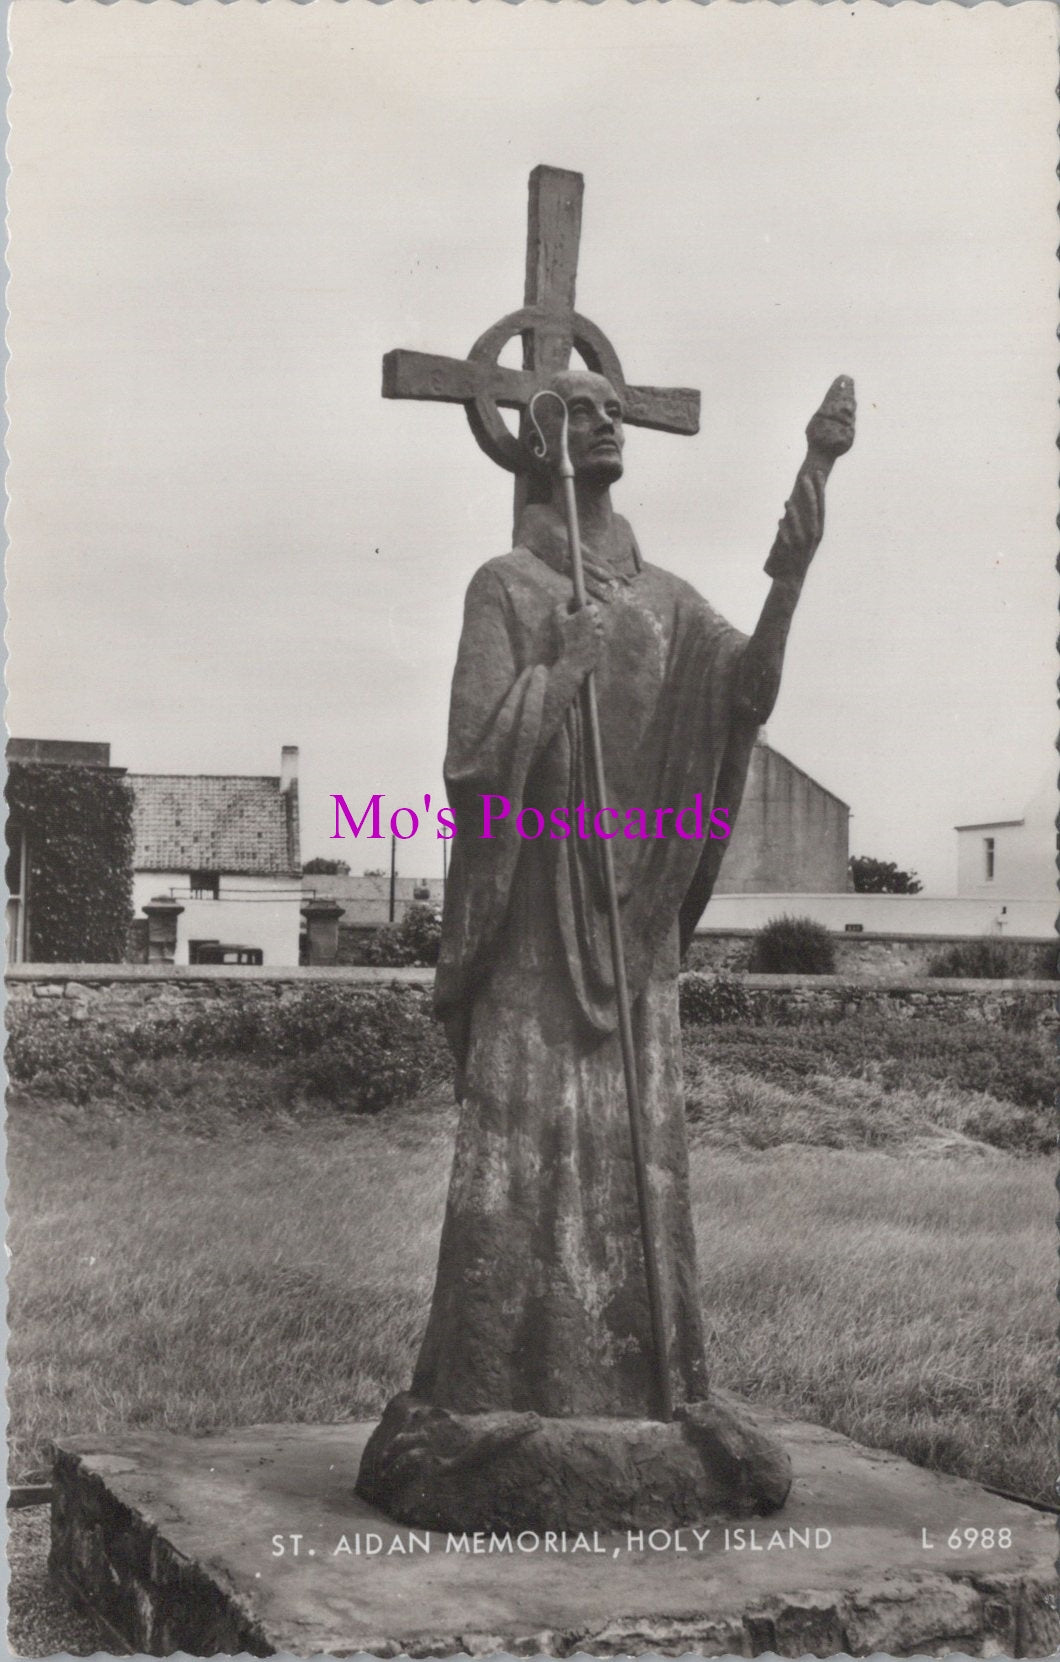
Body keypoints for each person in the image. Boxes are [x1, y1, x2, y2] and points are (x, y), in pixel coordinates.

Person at [403, 367, 856, 1422]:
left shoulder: (669, 604)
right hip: (532, 914)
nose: (607, 421)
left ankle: (639, 1397)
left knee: (629, 1159)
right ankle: (486, 1394)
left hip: (633, 916)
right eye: (579, 408)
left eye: (615, 406)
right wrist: (559, 666)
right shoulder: (507, 586)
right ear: (537, 437)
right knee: (521, 1158)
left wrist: (793, 565)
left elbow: (745, 694)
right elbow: (472, 765)